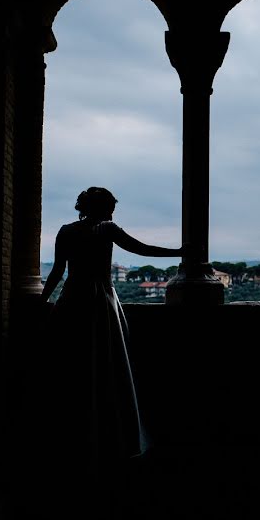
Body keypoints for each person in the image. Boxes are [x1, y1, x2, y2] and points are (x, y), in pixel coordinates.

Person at [38, 187, 183, 484]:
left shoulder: (66, 231)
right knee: (105, 367)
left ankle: (67, 440)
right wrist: (179, 253)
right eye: (111, 206)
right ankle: (106, 438)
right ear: (103, 208)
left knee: (71, 369)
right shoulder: (107, 229)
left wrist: (42, 303)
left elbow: (57, 272)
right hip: (99, 302)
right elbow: (142, 249)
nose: (113, 212)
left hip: (71, 301)